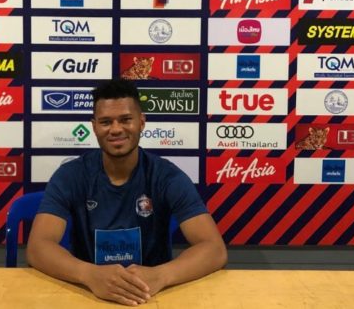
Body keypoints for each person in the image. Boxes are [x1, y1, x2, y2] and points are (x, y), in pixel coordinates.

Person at [27, 79, 227, 306]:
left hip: (151, 296)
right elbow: (38, 246)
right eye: (105, 122)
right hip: (87, 294)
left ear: (141, 122)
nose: (115, 129)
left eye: (125, 120)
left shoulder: (167, 176)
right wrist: (88, 274)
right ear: (94, 127)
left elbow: (214, 249)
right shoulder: (70, 175)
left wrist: (160, 275)